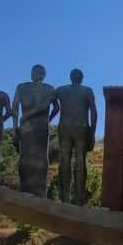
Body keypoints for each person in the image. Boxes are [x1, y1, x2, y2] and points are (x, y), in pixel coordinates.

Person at [50, 68, 98, 206]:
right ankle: (78, 198)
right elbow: (94, 113)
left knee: (64, 159)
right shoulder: (87, 91)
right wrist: (92, 134)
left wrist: (48, 119)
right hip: (81, 127)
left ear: (71, 77)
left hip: (64, 127)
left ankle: (65, 197)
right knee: (80, 160)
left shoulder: (60, 90)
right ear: (81, 78)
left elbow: (51, 104)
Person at [12, 64, 58, 197]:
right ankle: (40, 193)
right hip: (42, 126)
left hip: (26, 125)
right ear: (43, 75)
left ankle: (25, 191)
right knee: (42, 158)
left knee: (25, 158)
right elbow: (57, 108)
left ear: (34, 74)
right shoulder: (49, 89)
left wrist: (15, 127)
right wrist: (48, 119)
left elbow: (15, 108)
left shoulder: (22, 87)